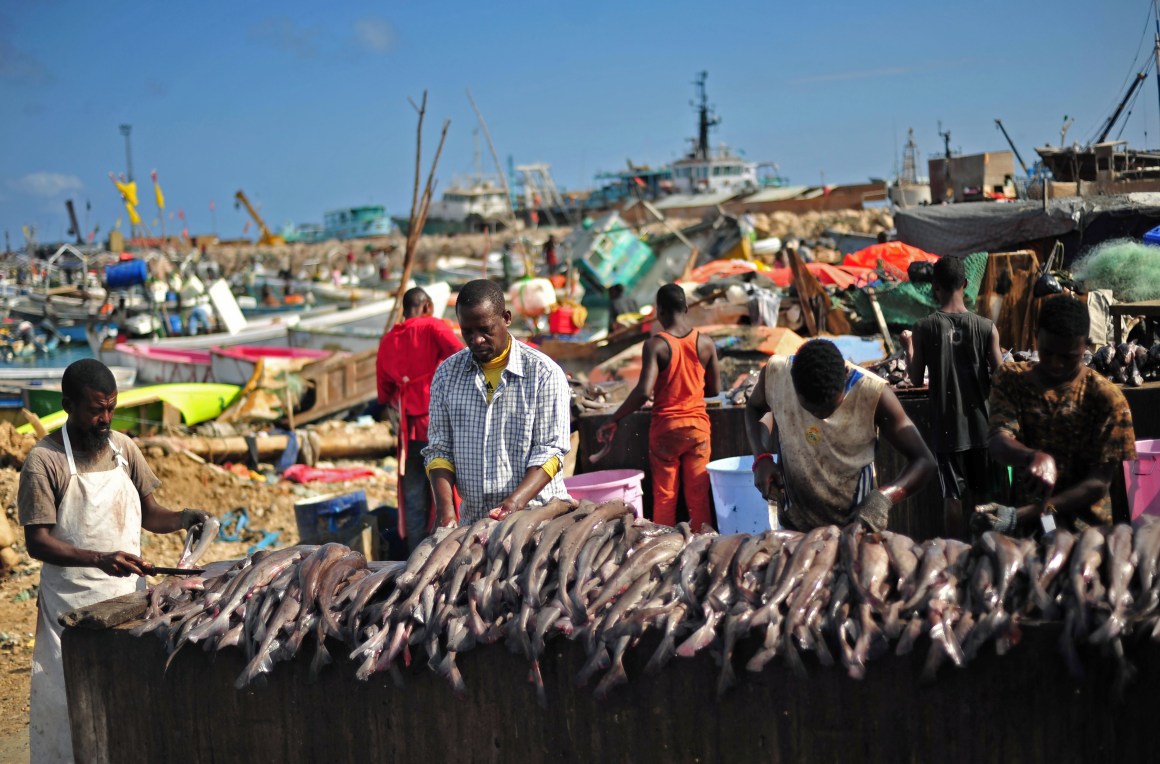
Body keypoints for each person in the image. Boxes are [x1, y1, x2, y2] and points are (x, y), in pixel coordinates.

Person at [18, 359, 211, 763]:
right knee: (69, 706)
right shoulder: (45, 460)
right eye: (95, 410)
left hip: (128, 601)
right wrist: (99, 558)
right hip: (68, 611)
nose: (104, 419)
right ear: (68, 405)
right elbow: (37, 543)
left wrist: (181, 519)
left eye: (111, 408)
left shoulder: (125, 449)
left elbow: (150, 512)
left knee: (124, 705)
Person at [979, 295, 1136, 535]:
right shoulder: (1011, 379)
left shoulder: (1108, 399)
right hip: (1027, 534)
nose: (1056, 363)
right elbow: (998, 440)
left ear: (1086, 346)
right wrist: (1033, 457)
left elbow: (1099, 483)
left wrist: (1032, 512)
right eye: (1047, 352)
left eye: (1068, 356)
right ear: (1036, 336)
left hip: (1087, 533)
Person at [745, 339, 936, 532]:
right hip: (795, 524)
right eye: (811, 409)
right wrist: (761, 457)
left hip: (855, 526)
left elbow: (924, 461)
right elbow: (755, 408)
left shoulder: (873, 393)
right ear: (792, 381)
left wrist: (884, 497)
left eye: (829, 408)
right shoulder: (777, 373)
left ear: (845, 376)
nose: (819, 416)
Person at [424, 279, 571, 525]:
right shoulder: (447, 375)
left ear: (506, 318)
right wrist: (446, 510)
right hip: (474, 521)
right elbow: (439, 450)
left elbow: (550, 452)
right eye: (467, 331)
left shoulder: (543, 373)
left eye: (485, 329)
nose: (476, 340)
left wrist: (514, 503)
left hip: (536, 519)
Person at [598, 284, 720, 529]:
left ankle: (662, 549)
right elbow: (715, 390)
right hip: (697, 429)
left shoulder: (656, 345)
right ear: (685, 308)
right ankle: (705, 546)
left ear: (659, 312)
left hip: (666, 430)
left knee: (665, 497)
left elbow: (643, 391)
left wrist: (615, 417)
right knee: (698, 496)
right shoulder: (706, 343)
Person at [902, 256, 1003, 538]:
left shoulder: (924, 327)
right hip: (982, 426)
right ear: (966, 284)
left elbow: (913, 377)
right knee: (983, 498)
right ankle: (987, 550)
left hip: (947, 427)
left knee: (953, 497)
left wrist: (908, 346)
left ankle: (955, 553)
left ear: (935, 286)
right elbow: (1001, 377)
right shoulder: (986, 327)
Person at [376, 287, 463, 550]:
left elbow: (383, 394)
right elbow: (463, 356)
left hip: (407, 430)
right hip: (437, 425)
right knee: (448, 493)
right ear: (426, 306)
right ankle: (449, 550)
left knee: (413, 496)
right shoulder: (433, 327)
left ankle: (416, 555)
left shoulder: (388, 339)